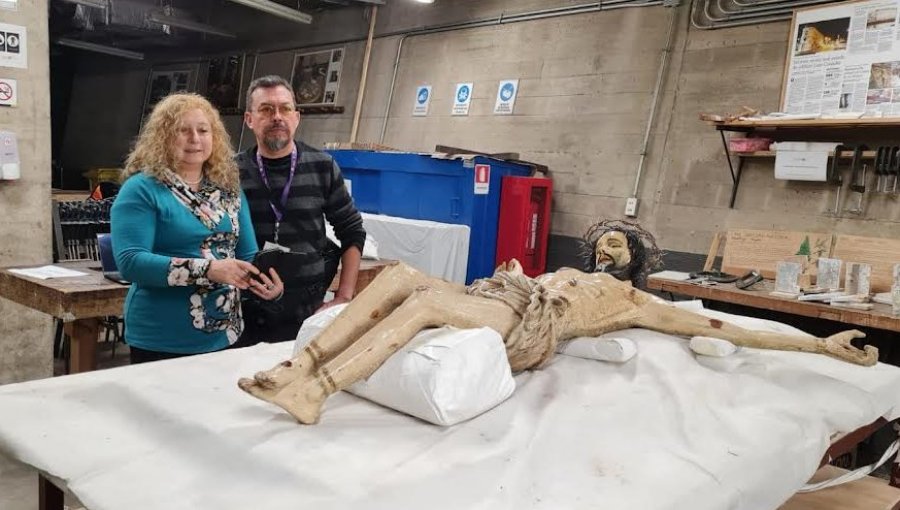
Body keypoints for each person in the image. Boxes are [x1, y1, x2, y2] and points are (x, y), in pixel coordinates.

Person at [239, 260, 878, 424]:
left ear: (638, 262)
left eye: (621, 247)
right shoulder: (574, 269)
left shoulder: (638, 304)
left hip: (531, 328)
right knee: (401, 276)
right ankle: (298, 366)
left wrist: (821, 348)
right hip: (506, 296)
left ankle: (316, 393)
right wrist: (518, 276)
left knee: (429, 302)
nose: (608, 249)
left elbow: (725, 328)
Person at [111, 93, 284, 364]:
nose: (195, 139)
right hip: (162, 337)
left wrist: (265, 283)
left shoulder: (228, 189)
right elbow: (131, 262)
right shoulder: (142, 189)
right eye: (183, 130)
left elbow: (248, 254)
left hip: (227, 333)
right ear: (163, 137)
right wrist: (210, 269)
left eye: (203, 130)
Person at [236, 75, 366, 345]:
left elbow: (352, 231)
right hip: (243, 306)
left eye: (284, 108)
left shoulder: (323, 166)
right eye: (266, 109)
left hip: (306, 309)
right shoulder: (229, 171)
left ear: (296, 117)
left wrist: (344, 296)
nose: (277, 117)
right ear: (249, 119)